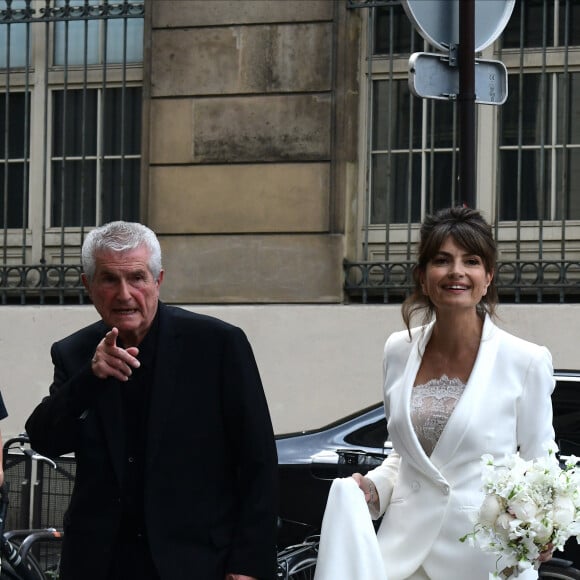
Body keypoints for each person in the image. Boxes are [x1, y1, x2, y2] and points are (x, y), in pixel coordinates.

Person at [25, 221, 279, 580]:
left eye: (137, 278)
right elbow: (45, 439)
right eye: (109, 279)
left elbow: (258, 461)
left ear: (158, 281)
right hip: (101, 564)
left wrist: (248, 565)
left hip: (195, 562)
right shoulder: (74, 353)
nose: (124, 294)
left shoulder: (217, 345)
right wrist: (89, 379)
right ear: (88, 286)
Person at [352, 206, 556, 580]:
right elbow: (406, 456)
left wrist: (543, 529)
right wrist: (374, 489)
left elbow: (540, 466)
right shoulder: (398, 350)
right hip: (402, 557)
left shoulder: (526, 360)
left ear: (488, 276)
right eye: (442, 260)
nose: (456, 271)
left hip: (486, 560)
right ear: (423, 276)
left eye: (472, 261)